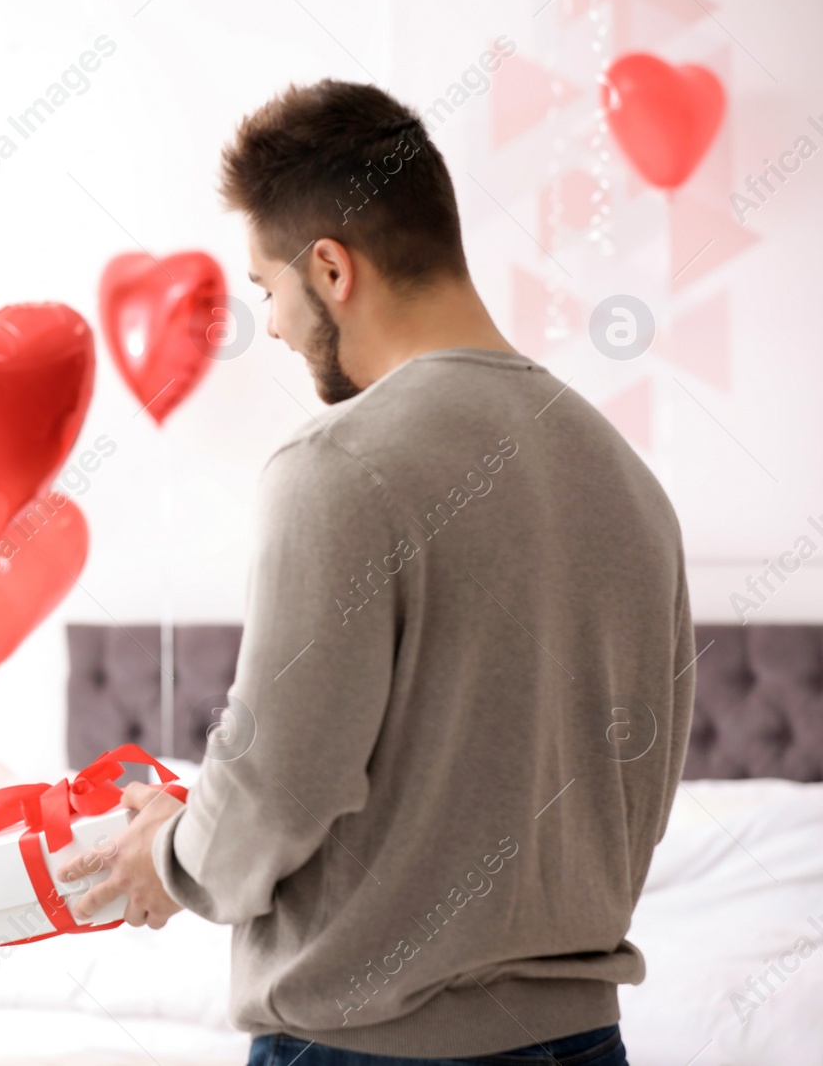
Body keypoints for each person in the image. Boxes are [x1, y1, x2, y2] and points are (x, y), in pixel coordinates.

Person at [57, 79, 691, 1066]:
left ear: (330, 268)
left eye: (268, 290)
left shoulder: (339, 465)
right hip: (582, 1039)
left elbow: (278, 783)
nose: (269, 325)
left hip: (373, 1045)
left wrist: (172, 853)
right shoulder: (629, 482)